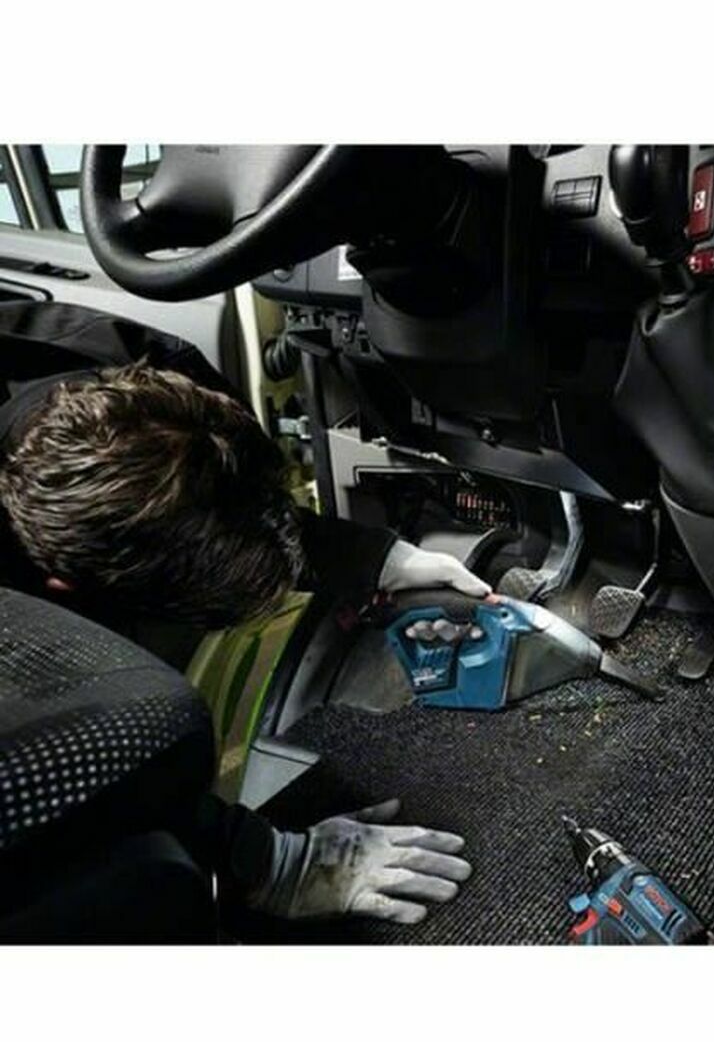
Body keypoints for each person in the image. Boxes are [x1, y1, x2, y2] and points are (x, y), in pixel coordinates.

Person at [0, 300, 485, 927]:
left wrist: (375, 557)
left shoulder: (159, 369)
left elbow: (234, 504)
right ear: (65, 589)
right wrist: (271, 865)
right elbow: (64, 785)